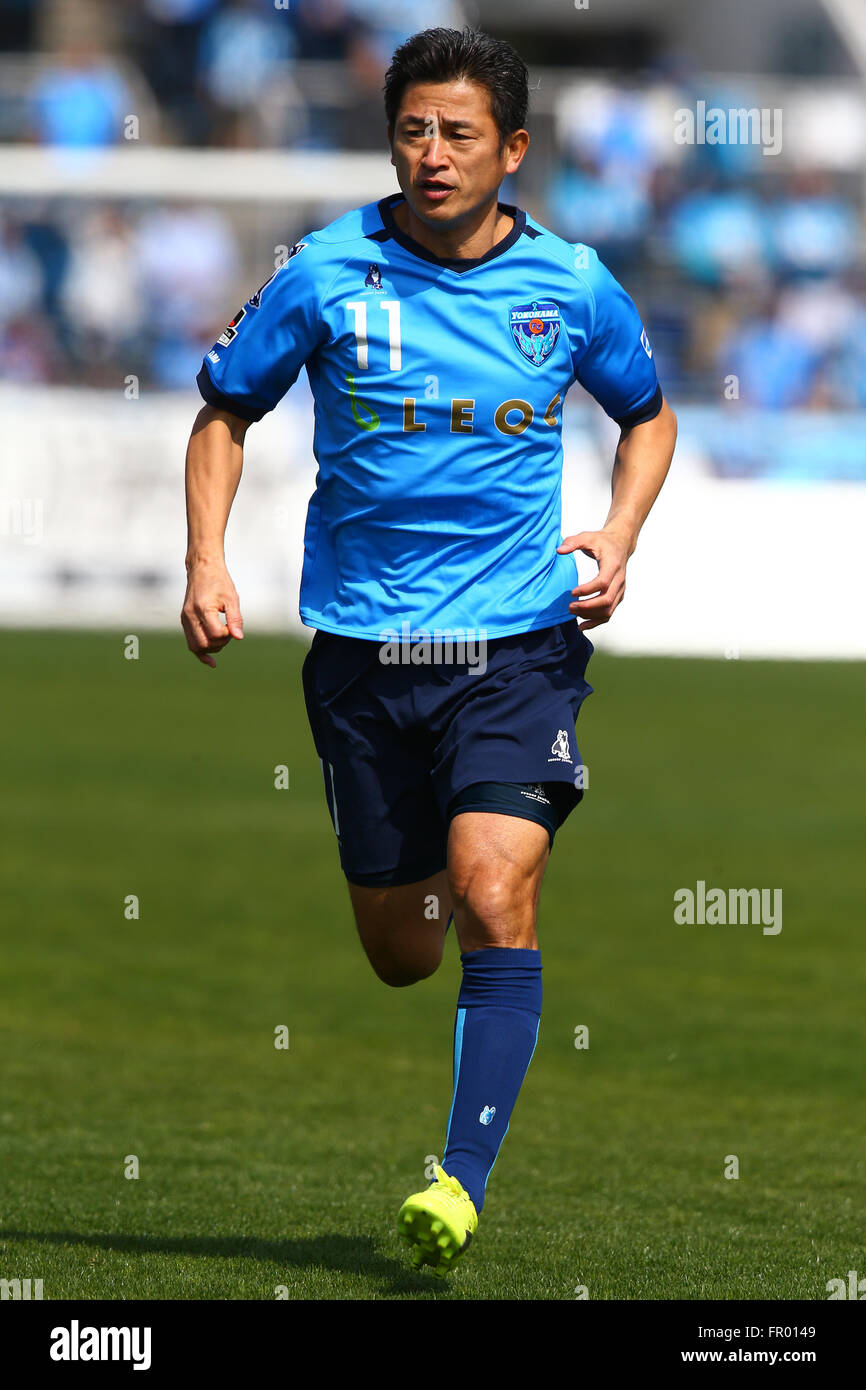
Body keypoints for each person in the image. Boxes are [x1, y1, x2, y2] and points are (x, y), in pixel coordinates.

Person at [182, 26, 677, 1277]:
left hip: (515, 648)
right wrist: (205, 561)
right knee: (402, 948)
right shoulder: (324, 271)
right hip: (360, 655)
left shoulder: (569, 285)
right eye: (413, 129)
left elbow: (648, 416)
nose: (433, 154)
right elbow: (224, 411)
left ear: (511, 149)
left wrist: (615, 534)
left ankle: (457, 1183)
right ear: (388, 136)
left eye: (460, 133)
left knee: (493, 889)